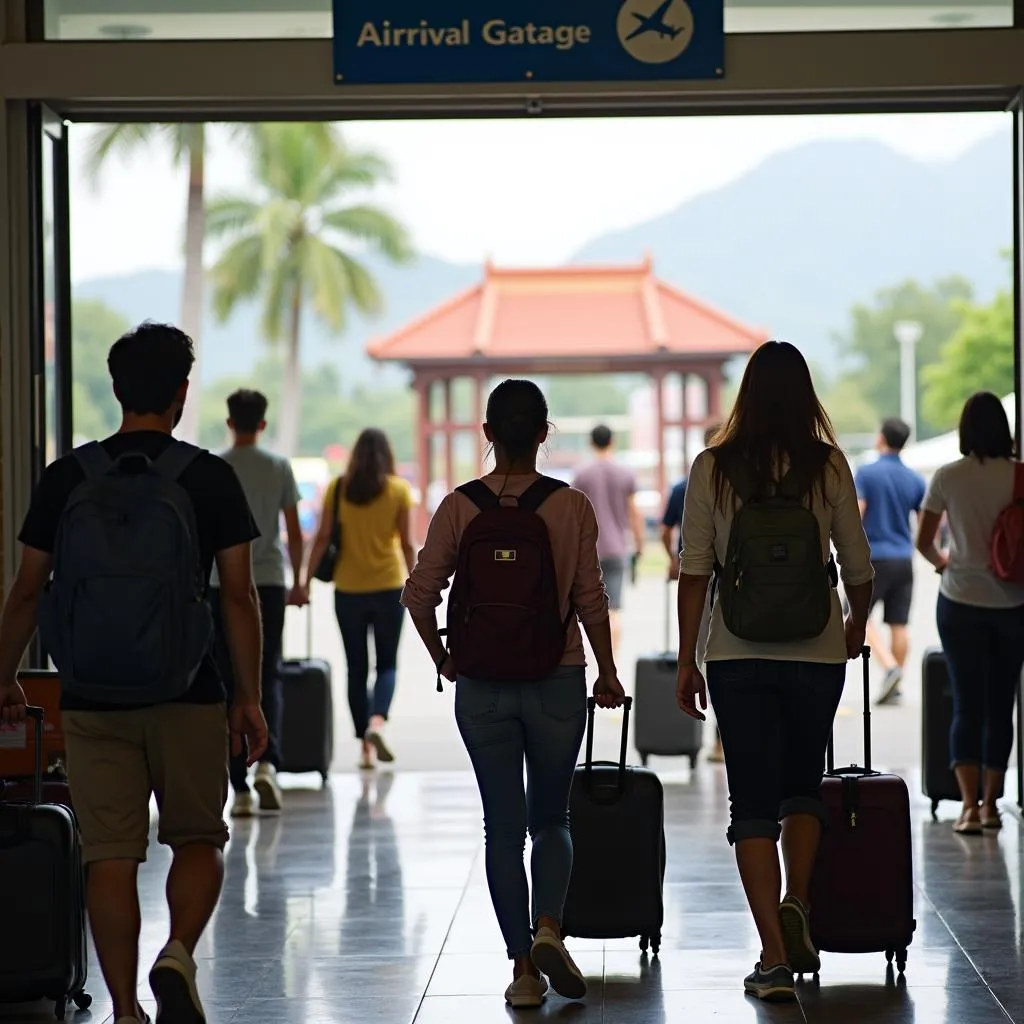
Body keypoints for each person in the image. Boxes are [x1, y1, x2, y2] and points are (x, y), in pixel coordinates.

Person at [0, 322, 265, 1024]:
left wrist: (2, 676)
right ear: (181, 392)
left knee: (110, 856)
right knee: (197, 838)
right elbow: (238, 595)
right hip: (189, 690)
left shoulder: (67, 478)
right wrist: (249, 697)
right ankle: (177, 950)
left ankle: (123, 1010)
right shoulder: (208, 477)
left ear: (117, 389)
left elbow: (28, 589)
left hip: (90, 696)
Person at [402, 379, 626, 1009]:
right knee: (551, 817)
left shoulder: (458, 506)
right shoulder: (571, 506)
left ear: (488, 434)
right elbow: (590, 600)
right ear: (545, 433)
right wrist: (606, 672)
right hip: (556, 678)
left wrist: (446, 658)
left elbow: (418, 597)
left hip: (483, 688)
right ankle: (550, 924)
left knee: (501, 828)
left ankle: (523, 970)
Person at [675, 341, 874, 1002]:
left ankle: (772, 955)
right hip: (817, 652)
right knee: (802, 789)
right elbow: (860, 568)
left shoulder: (713, 467)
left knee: (750, 804)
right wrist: (854, 626)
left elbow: (694, 570)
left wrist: (687, 658)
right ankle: (797, 900)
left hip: (738, 653)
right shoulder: (829, 466)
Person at [916, 392, 1024, 835]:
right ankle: (992, 805)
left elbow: (924, 542)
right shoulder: (1020, 475)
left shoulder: (947, 476)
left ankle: (967, 808)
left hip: (959, 601)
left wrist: (947, 565)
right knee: (1001, 706)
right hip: (1011, 603)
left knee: (966, 703)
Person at [209, 388, 307, 819]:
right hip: (267, 582)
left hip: (218, 583)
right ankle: (268, 763)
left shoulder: (216, 467)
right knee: (269, 673)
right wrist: (299, 581)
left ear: (230, 422)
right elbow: (293, 531)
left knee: (228, 679)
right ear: (262, 424)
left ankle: (238, 783)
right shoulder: (278, 467)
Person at [305, 428, 416, 770]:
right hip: (388, 587)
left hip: (349, 590)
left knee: (356, 667)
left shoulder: (339, 489)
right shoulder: (398, 489)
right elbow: (407, 543)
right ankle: (377, 723)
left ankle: (364, 749)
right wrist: (417, 583)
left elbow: (322, 537)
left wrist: (303, 581)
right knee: (387, 664)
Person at [663, 424, 725, 763]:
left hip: (699, 579)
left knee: (708, 658)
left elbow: (665, 528)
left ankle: (720, 739)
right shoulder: (737, 479)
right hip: (732, 583)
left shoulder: (686, 484)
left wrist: (675, 559)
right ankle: (724, 737)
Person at [854, 417, 926, 705]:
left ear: (881, 438)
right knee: (899, 623)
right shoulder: (915, 478)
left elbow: (858, 513)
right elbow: (923, 523)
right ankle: (895, 685)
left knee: (858, 615)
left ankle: (889, 667)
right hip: (903, 557)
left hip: (875, 557)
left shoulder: (867, 473)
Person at [572, 425, 645, 655]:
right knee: (613, 610)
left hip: (588, 551)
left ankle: (596, 659)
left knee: (590, 609)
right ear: (612, 442)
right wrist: (639, 545)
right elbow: (634, 513)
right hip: (616, 549)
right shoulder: (626, 473)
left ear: (592, 443)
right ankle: (611, 663)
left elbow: (574, 514)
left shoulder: (582, 474)